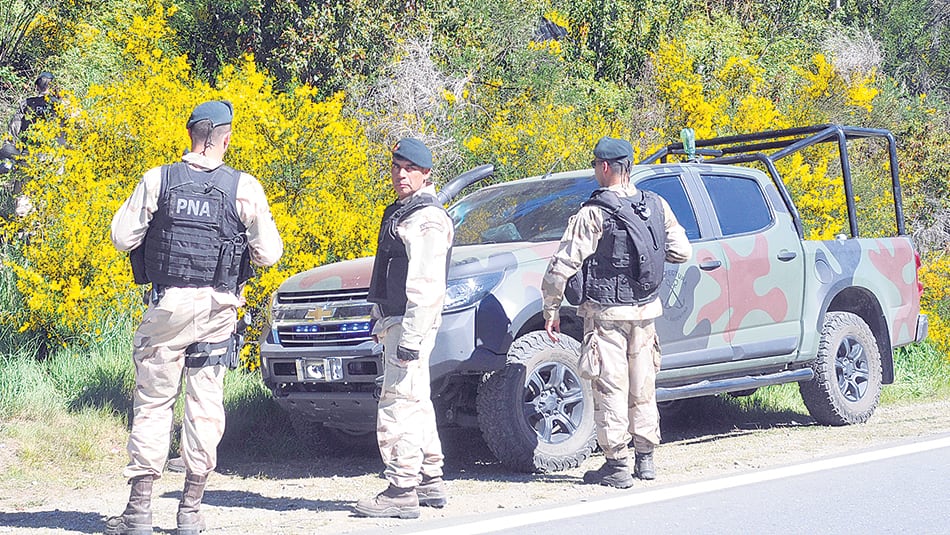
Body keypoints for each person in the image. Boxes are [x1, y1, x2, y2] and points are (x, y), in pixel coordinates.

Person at [105, 100, 283, 534]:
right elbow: (269, 254)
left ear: (189, 135)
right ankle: (190, 511)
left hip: (168, 308)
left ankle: (139, 510)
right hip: (218, 310)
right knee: (205, 405)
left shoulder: (158, 179)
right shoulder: (244, 187)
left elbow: (122, 237)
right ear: (226, 139)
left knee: (153, 402)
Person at [541, 136, 692, 489]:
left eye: (596, 164)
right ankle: (646, 459)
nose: (596, 169)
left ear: (605, 167)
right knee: (643, 385)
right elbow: (682, 251)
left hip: (606, 314)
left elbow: (562, 265)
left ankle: (617, 464)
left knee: (610, 386)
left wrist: (551, 308)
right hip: (645, 312)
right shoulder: (656, 205)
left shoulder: (593, 212)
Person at [355, 138, 454, 519]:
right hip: (397, 320)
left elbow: (426, 287)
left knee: (399, 402)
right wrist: (380, 317)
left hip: (410, 324)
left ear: (426, 173)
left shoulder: (426, 218)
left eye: (410, 168)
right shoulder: (405, 212)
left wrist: (409, 339)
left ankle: (401, 489)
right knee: (416, 398)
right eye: (396, 167)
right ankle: (428, 479)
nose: (400, 174)